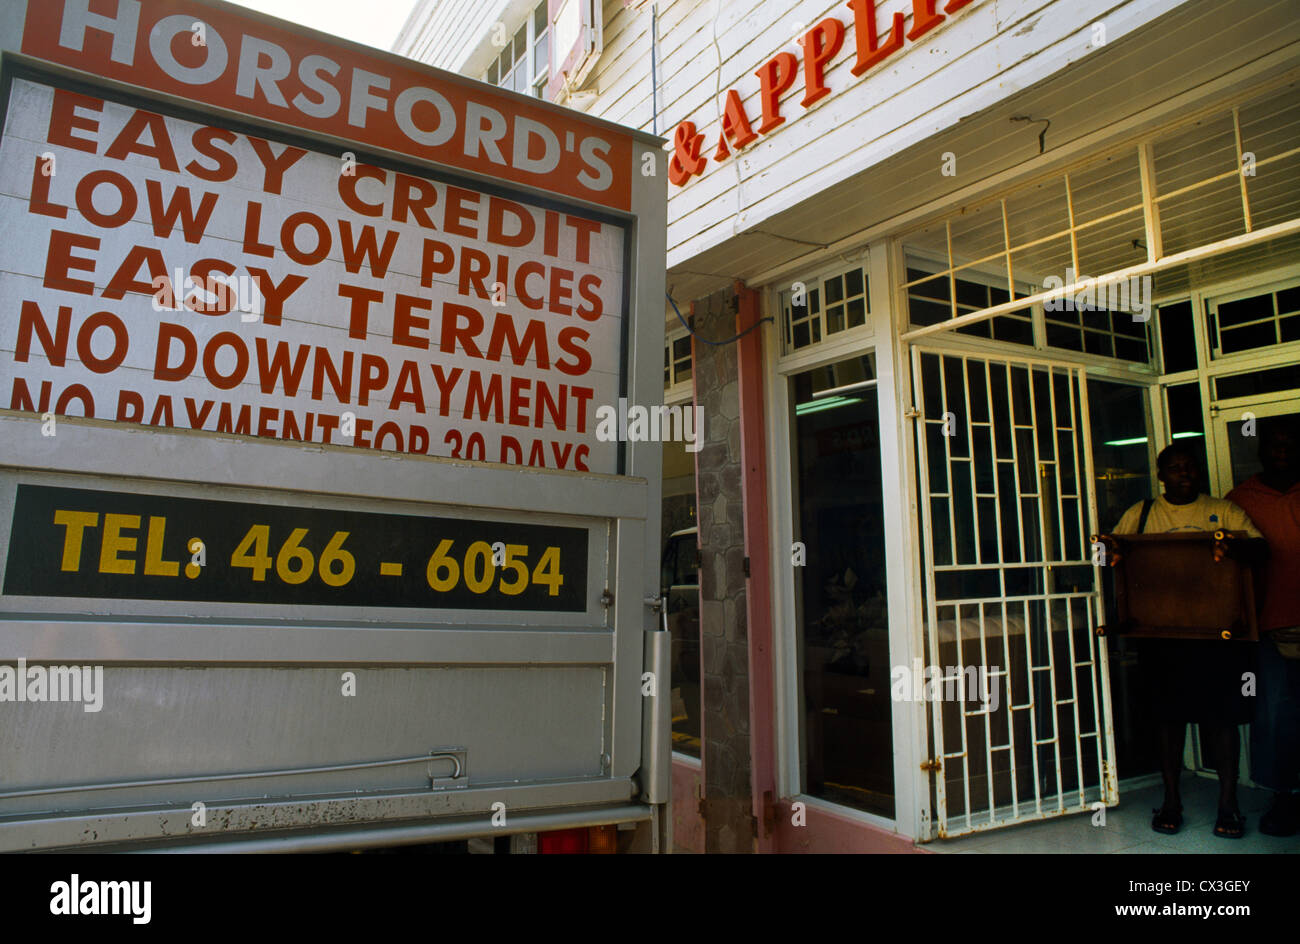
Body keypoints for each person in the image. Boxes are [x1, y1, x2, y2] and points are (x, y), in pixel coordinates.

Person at [1103, 442, 1263, 839]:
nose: (1183, 474)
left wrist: (1235, 544)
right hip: (1161, 638)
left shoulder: (1225, 510)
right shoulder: (1140, 514)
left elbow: (1260, 550)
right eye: (1174, 468)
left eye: (1189, 467)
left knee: (1222, 721)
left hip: (1216, 637)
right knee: (1167, 720)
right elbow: (1104, 556)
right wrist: (1110, 553)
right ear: (1161, 476)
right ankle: (1171, 800)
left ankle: (1229, 805)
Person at [1227, 419, 1300, 837]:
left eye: (1291, 444)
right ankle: (1282, 797)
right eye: (1275, 445)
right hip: (1268, 629)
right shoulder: (1241, 499)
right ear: (1262, 450)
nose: (1283, 452)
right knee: (1275, 716)